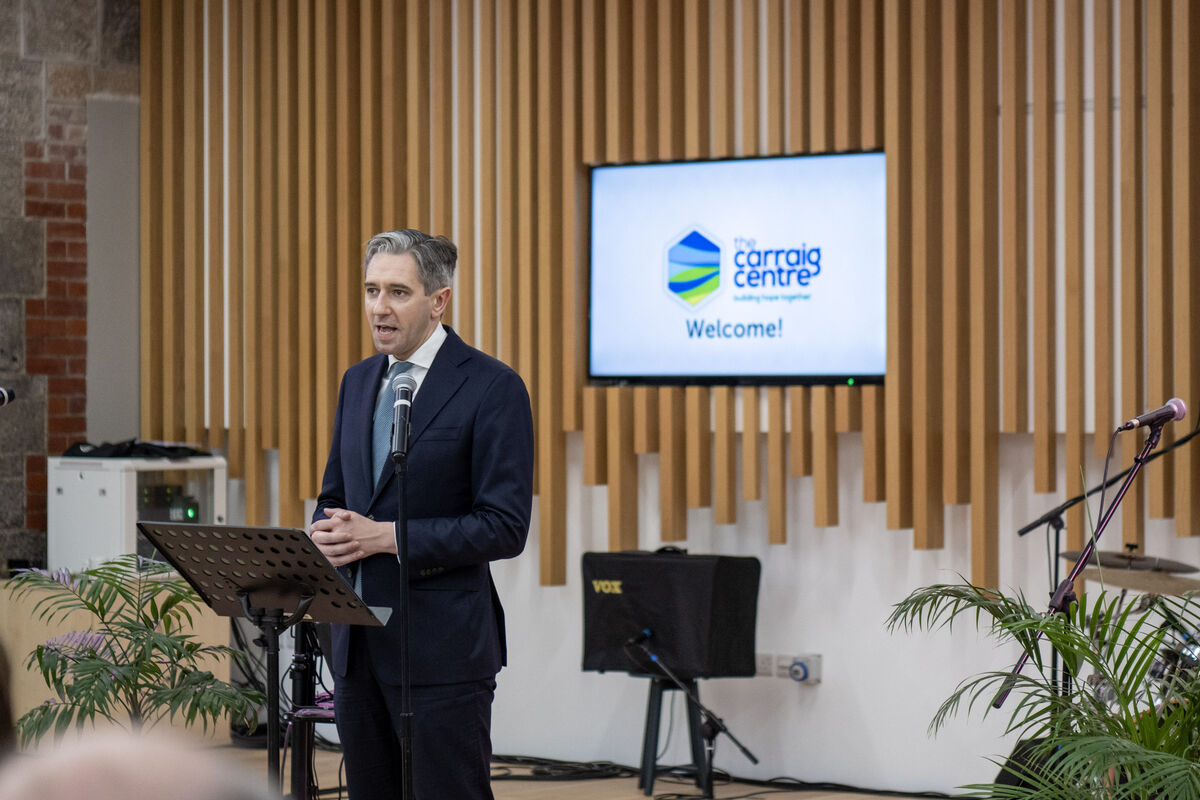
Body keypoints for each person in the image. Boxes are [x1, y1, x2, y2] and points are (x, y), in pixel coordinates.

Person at [309, 229, 534, 800]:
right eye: (370, 289)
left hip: (443, 652)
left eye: (398, 293)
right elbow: (336, 491)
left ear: (439, 300)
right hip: (357, 647)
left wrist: (387, 537)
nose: (379, 308)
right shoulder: (358, 381)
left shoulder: (492, 387)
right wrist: (327, 531)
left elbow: (504, 527)